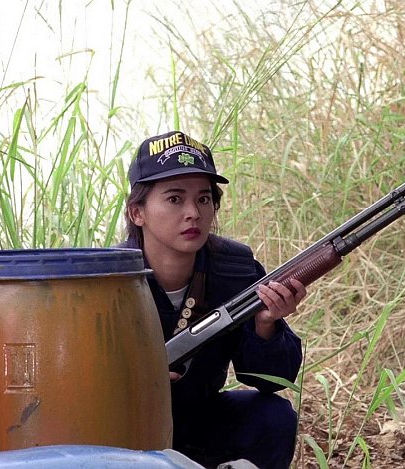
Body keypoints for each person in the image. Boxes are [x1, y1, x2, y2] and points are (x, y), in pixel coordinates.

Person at [119, 130, 306, 469]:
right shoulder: (109, 281)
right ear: (137, 213)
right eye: (175, 199)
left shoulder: (236, 269)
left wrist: (266, 326)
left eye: (204, 199)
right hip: (124, 431)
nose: (193, 212)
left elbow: (271, 379)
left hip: (199, 423)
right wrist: (133, 376)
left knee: (273, 417)